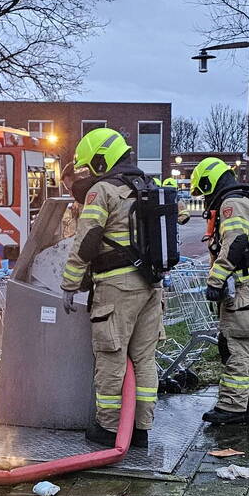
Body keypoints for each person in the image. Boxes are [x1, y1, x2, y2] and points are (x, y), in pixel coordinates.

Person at [60, 128, 162, 449]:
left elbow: (86, 241)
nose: (87, 173)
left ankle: (109, 428)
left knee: (111, 356)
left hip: (117, 288)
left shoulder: (102, 190)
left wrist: (70, 284)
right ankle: (141, 429)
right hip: (152, 287)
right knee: (144, 359)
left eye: (89, 165)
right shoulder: (148, 185)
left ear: (101, 160)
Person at [190, 157, 249, 425]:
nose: (205, 198)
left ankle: (232, 407)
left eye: (203, 191)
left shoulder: (232, 204)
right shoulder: (242, 199)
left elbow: (235, 244)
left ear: (209, 183)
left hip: (244, 288)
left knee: (234, 346)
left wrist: (215, 280)